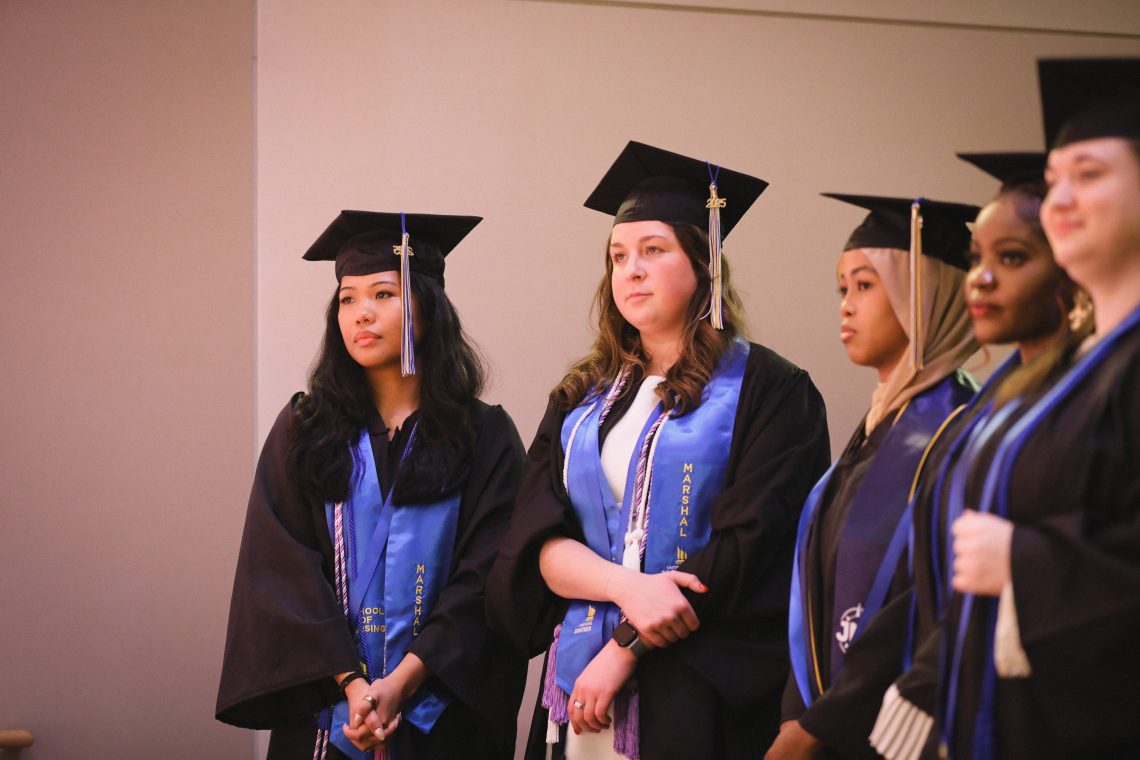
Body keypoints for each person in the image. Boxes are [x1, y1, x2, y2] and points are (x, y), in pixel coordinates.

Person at [486, 141, 831, 760]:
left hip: (697, 679)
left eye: (654, 251)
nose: (631, 271)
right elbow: (538, 536)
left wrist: (627, 648)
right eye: (618, 256)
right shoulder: (579, 399)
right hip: (580, 678)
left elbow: (750, 545)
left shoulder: (773, 391)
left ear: (705, 265)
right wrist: (628, 590)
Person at [215, 211, 527, 759]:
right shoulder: (305, 431)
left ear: (429, 307)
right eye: (347, 298)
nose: (362, 313)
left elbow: (488, 575)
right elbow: (283, 571)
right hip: (329, 717)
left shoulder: (484, 436)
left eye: (384, 294)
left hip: (442, 715)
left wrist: (403, 681)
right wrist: (354, 685)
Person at [906, 58, 1140, 759]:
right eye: (1053, 180)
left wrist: (1026, 562)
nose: (1061, 199)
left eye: (1090, 175)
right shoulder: (1080, 368)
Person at [768, 194, 980, 759]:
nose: (845, 306)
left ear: (925, 293)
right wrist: (796, 714)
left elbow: (924, 600)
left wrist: (820, 725)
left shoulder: (961, 431)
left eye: (865, 285)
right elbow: (816, 584)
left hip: (901, 728)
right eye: (843, 288)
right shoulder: (873, 426)